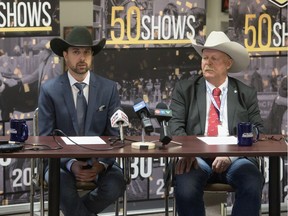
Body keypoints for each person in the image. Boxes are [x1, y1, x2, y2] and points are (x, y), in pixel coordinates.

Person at [169, 31, 264, 216]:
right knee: (186, 185)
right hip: (196, 158)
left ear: (228, 63)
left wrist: (231, 155)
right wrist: (189, 153)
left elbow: (257, 130)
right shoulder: (185, 90)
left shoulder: (246, 93)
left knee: (252, 181)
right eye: (205, 58)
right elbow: (176, 127)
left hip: (235, 159)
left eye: (214, 58)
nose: (207, 63)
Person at [38, 26, 126, 216]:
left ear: (92, 56)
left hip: (98, 160)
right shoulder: (49, 90)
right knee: (59, 183)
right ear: (65, 55)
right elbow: (45, 140)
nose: (82, 57)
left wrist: (100, 165)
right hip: (60, 163)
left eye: (87, 52)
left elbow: (114, 137)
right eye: (76, 52)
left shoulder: (108, 89)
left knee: (116, 183)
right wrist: (71, 164)